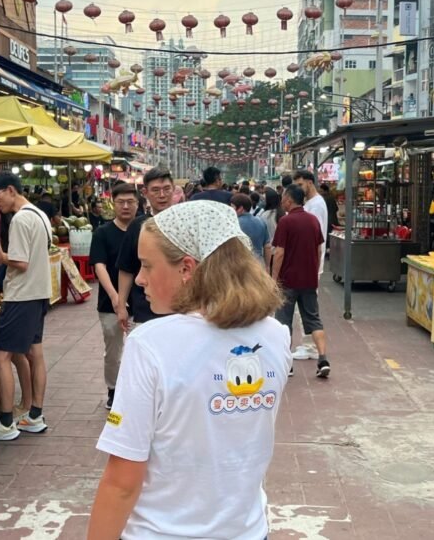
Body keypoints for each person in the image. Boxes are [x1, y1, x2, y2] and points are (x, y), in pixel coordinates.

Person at [88, 201, 290, 540]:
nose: (139, 279)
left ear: (187, 268)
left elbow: (122, 480)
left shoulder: (151, 344)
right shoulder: (275, 336)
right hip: (247, 530)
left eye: (147, 266)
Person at [0, 172, 54, 440]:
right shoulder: (40, 215)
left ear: (11, 190)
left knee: (0, 355)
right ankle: (34, 415)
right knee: (34, 353)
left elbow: (19, 261)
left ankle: (5, 423)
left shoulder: (20, 219)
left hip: (22, 295)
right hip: (40, 293)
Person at [272, 185, 331, 378]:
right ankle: (323, 359)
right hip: (308, 280)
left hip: (287, 281)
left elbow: (279, 253)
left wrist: (274, 279)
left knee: (283, 323)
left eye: (283, 199)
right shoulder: (313, 221)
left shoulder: (285, 222)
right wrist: (313, 271)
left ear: (289, 200)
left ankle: (286, 365)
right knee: (313, 319)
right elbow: (319, 250)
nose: (281, 202)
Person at [90, 183, 139, 409]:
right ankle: (113, 389)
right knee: (114, 350)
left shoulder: (145, 229)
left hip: (141, 302)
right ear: (114, 203)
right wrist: (115, 296)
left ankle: (138, 390)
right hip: (110, 303)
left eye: (131, 202)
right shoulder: (103, 232)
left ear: (138, 203)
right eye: (121, 202)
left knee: (140, 349)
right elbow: (99, 266)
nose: (126, 206)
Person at [115, 168, 176, 334]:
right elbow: (126, 268)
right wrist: (121, 306)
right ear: (145, 193)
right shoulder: (137, 226)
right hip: (145, 308)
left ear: (174, 189)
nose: (162, 195)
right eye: (155, 190)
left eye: (166, 189)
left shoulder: (183, 223)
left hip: (181, 309)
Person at [231, 193, 271, 265]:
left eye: (232, 207)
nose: (230, 210)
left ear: (240, 208)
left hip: (240, 264)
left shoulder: (234, 223)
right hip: (259, 263)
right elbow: (267, 246)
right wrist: (267, 266)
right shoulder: (261, 221)